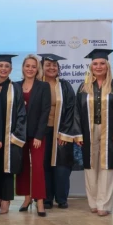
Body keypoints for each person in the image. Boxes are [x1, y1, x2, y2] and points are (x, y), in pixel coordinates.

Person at [74, 49, 113, 216]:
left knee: (107, 167)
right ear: (91, 66)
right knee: (90, 167)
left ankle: (104, 204)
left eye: (102, 63)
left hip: (109, 130)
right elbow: (76, 112)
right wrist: (78, 134)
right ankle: (93, 202)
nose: (98, 66)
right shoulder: (84, 87)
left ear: (107, 65)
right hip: (88, 131)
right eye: (95, 64)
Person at [39, 54, 77, 210]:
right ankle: (46, 198)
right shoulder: (37, 85)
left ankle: (61, 198)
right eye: (48, 64)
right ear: (42, 67)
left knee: (62, 165)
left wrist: (65, 133)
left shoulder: (65, 86)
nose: (51, 67)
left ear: (58, 68)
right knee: (44, 165)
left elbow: (71, 110)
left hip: (61, 131)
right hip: (42, 132)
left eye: (54, 65)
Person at [15, 54, 51, 217]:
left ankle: (40, 201)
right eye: (27, 66)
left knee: (37, 167)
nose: (30, 69)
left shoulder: (43, 86)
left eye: (33, 66)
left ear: (38, 69)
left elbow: (45, 111)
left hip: (37, 135)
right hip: (19, 134)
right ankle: (27, 198)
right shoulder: (16, 86)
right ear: (23, 68)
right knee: (22, 168)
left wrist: (39, 135)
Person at [0, 54, 26, 214]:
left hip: (9, 135)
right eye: (1, 66)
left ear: (11, 69)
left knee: (7, 169)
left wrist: (16, 135)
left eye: (6, 66)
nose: (3, 69)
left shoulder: (16, 88)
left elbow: (21, 113)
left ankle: (5, 200)